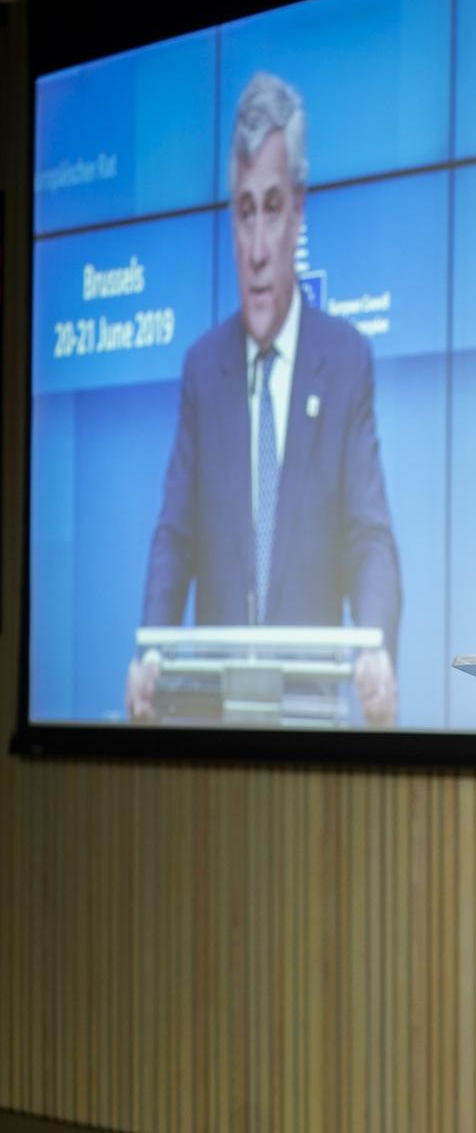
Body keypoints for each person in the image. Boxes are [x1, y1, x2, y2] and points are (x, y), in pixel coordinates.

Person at [127, 72, 402, 726]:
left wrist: (378, 646)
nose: (254, 250)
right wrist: (150, 649)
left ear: (298, 211)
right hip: (209, 719)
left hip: (310, 718)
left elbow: (371, 538)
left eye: (271, 208)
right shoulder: (203, 368)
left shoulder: (344, 362)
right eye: (243, 211)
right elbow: (175, 536)